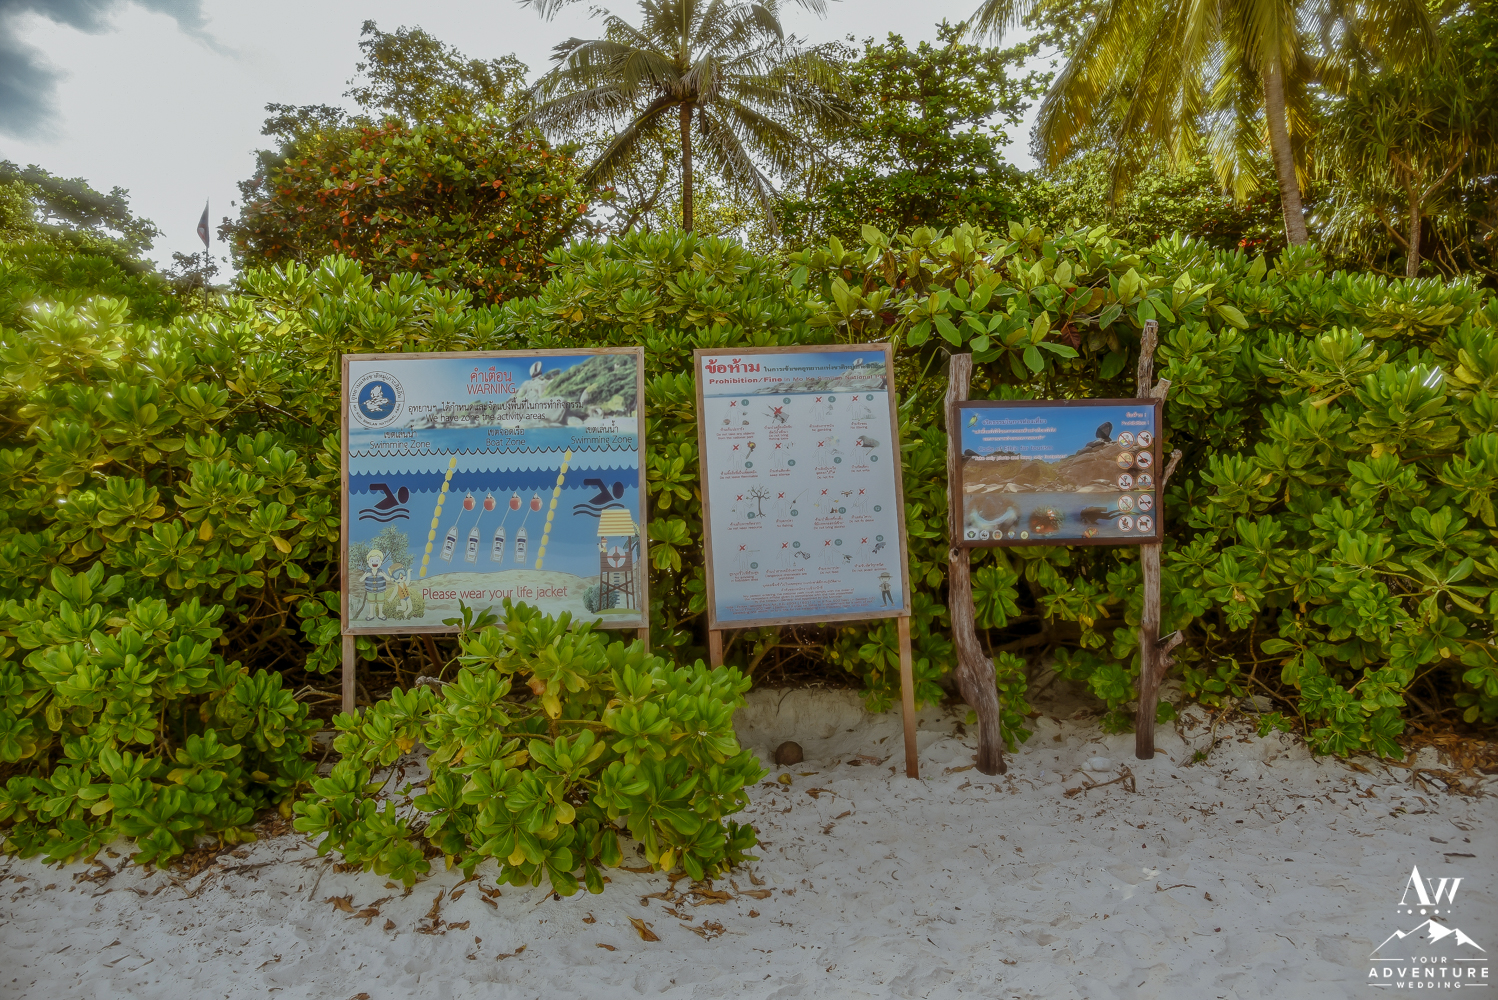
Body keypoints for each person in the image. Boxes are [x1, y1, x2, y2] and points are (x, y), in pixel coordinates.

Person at [363, 549, 391, 620]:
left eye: (377, 561)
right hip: (370, 590)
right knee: (371, 602)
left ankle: (380, 614)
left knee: (380, 602)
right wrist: (365, 576)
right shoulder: (367, 572)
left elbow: (388, 579)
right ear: (368, 562)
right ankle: (371, 614)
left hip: (381, 590)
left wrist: (383, 575)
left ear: (380, 562)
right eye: (372, 561)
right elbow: (361, 579)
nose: (374, 563)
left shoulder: (381, 571)